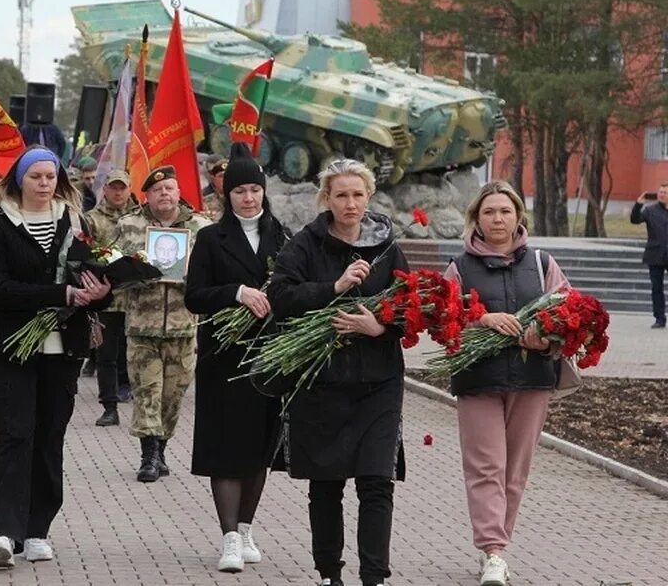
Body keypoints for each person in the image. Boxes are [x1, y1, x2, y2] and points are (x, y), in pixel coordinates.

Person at [267, 160, 408, 586]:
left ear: (369, 197)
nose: (350, 203)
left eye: (358, 195)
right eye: (341, 195)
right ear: (326, 198)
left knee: (376, 481)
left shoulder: (386, 245)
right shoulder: (306, 245)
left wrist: (381, 326)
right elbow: (281, 296)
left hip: (378, 382)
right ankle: (330, 573)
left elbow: (411, 300)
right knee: (326, 484)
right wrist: (334, 288)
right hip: (321, 382)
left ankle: (374, 577)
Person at [0, 146, 112, 569]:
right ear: (19, 178)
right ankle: (3, 532)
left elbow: (90, 275)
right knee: (15, 434)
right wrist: (59, 293)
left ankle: (37, 530)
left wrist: (100, 292)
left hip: (62, 349)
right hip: (13, 348)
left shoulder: (76, 222)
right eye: (35, 176)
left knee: (49, 436)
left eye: (50, 176)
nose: (43, 183)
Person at [443, 180, 569, 586]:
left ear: (518, 217)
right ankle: (493, 551)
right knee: (486, 467)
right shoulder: (460, 266)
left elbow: (569, 313)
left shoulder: (541, 263)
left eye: (505, 211)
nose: (497, 219)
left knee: (515, 470)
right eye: (489, 212)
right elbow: (444, 317)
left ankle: (498, 546)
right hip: (478, 380)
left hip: (532, 379)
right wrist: (481, 318)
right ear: (476, 220)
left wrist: (545, 336)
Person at [185, 144, 289, 573]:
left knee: (258, 448)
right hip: (224, 357)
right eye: (240, 191)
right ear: (226, 196)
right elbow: (194, 297)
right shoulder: (211, 238)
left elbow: (295, 289)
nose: (249, 198)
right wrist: (236, 294)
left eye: (254, 189)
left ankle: (246, 528)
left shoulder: (282, 236)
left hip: (268, 356)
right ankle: (228, 535)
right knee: (226, 446)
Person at [116, 165, 212, 483]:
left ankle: (162, 448)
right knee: (147, 391)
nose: (164, 194)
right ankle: (148, 456)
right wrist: (134, 274)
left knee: (173, 395)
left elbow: (214, 272)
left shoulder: (200, 227)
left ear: (179, 191)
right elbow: (112, 272)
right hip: (142, 325)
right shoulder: (129, 225)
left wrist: (196, 279)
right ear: (148, 195)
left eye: (169, 188)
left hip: (184, 326)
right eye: (157, 190)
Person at [84, 168, 140, 426]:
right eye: (113, 187)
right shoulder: (92, 220)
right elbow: (84, 254)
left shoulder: (141, 219)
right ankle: (109, 406)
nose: (118, 192)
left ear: (130, 189)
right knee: (105, 354)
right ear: (104, 190)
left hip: (136, 298)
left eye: (122, 187)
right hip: (105, 299)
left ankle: (129, 387)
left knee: (134, 351)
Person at [630, 182, 668, 329]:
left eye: (665, 192)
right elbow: (635, 220)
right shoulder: (650, 210)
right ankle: (659, 318)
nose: (662, 195)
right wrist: (638, 205)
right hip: (655, 255)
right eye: (661, 192)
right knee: (656, 289)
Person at [201, 156, 228, 222]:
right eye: (221, 176)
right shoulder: (205, 202)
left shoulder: (242, 200)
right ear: (214, 178)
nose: (226, 179)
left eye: (229, 175)